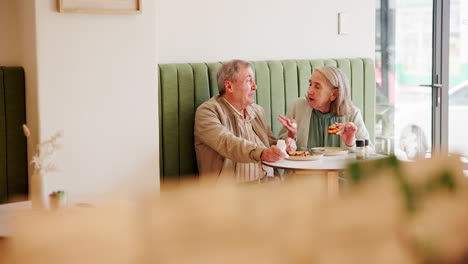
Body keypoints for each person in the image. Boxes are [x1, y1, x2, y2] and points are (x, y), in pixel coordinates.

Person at [195, 59, 295, 184]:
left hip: (269, 187)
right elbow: (228, 143)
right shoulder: (207, 112)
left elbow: (270, 146)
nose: (255, 86)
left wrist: (288, 141)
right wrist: (261, 153)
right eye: (248, 80)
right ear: (229, 86)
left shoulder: (257, 111)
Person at [278, 66, 373, 151]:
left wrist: (351, 143)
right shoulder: (297, 107)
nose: (310, 91)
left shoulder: (352, 113)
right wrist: (291, 136)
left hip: (340, 171)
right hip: (304, 170)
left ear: (334, 94)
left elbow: (369, 152)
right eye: (310, 84)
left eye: (317, 87)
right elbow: (280, 148)